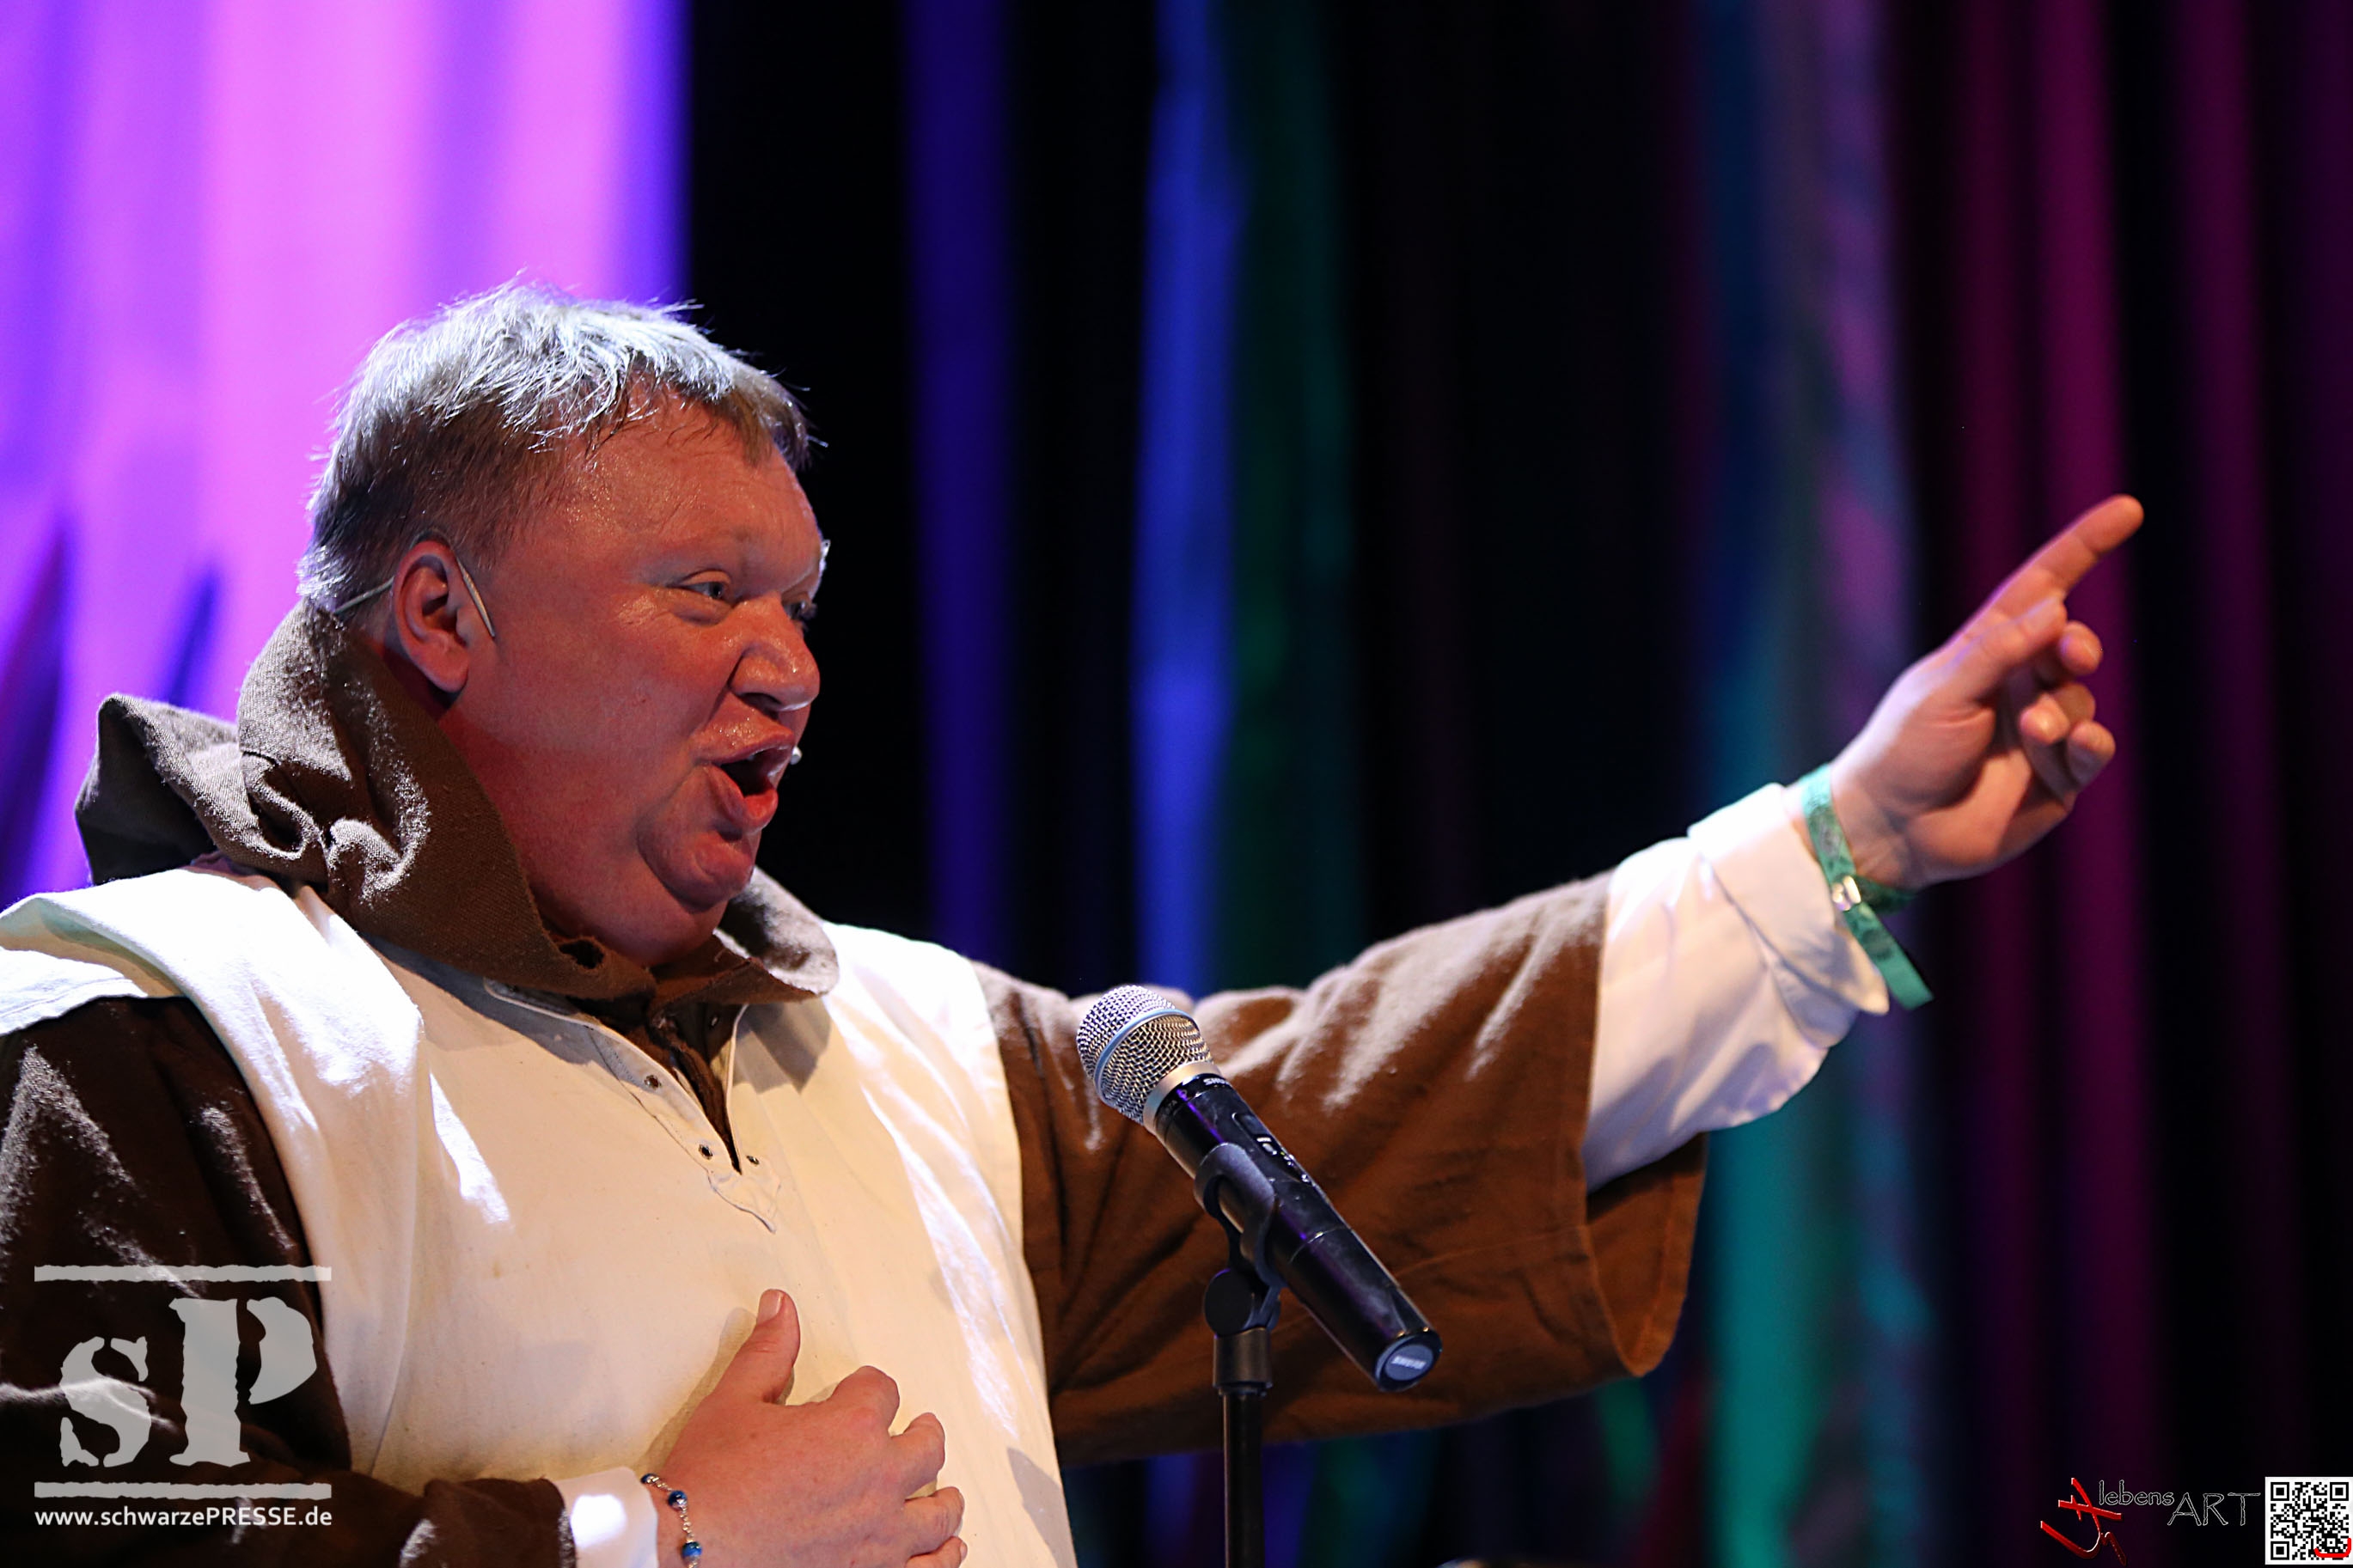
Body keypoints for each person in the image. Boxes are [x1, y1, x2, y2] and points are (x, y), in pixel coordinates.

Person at [0, 285, 2135, 1568]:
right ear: (441, 616)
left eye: (800, 604)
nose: (789, 669)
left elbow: (1371, 1101)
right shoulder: (172, 1039)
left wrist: (1840, 840)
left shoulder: (903, 1039)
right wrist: (655, 1542)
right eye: (703, 594)